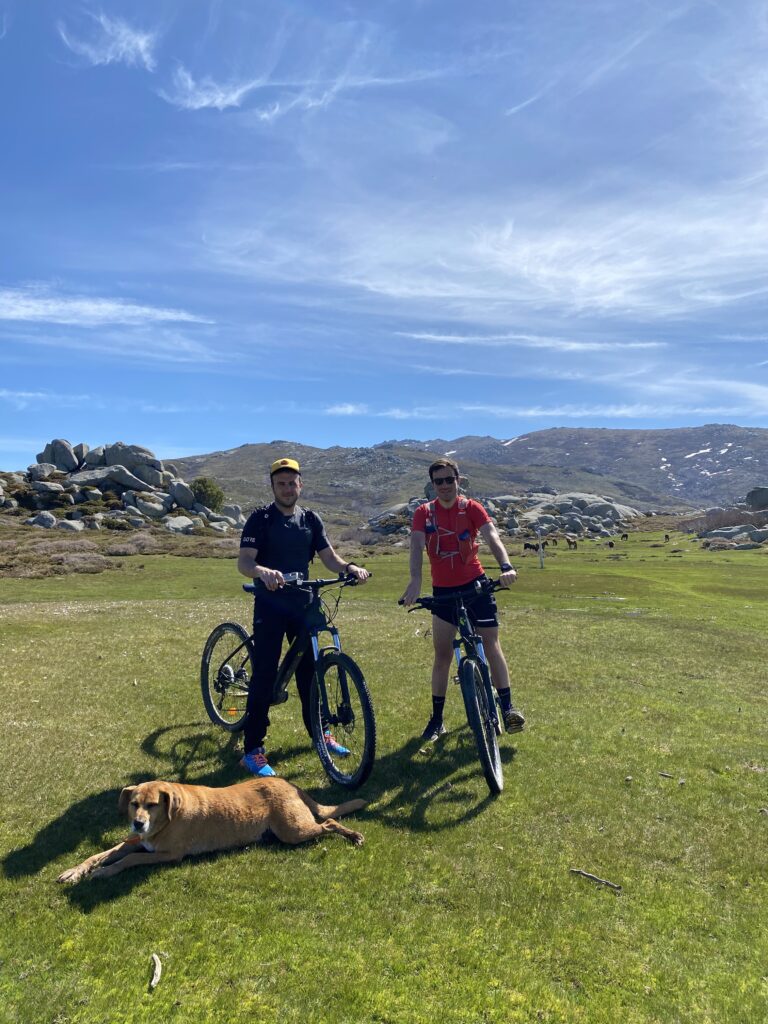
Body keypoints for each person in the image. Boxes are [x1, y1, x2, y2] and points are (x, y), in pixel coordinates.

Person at [237, 457, 369, 776]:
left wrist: (349, 568)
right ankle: (253, 749)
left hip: (304, 603)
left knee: (310, 673)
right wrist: (263, 571)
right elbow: (244, 562)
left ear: (301, 485)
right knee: (265, 674)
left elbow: (329, 557)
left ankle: (321, 734)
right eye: (280, 483)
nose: (286, 488)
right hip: (270, 604)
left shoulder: (310, 519)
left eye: (291, 483)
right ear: (273, 487)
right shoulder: (260, 519)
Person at [400, 458, 525, 741]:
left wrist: (505, 565)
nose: (444, 486)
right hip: (443, 591)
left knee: (491, 644)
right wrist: (415, 581)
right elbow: (417, 546)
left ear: (458, 481)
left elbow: (492, 536)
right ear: (432, 485)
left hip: (476, 586)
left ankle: (507, 708)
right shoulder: (423, 513)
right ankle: (436, 719)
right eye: (438, 481)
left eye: (449, 480)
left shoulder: (471, 508)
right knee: (442, 655)